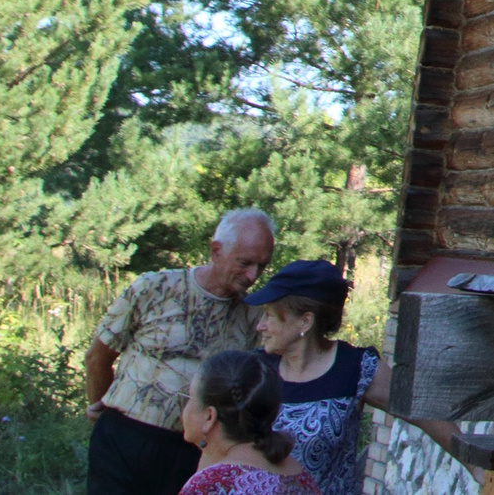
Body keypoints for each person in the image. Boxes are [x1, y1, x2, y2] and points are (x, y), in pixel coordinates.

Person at [86, 208, 277, 495]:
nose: (252, 275)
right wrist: (101, 407)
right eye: (245, 263)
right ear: (216, 251)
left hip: (194, 451)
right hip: (124, 437)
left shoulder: (254, 316)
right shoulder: (154, 288)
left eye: (261, 267)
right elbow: (98, 356)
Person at [250, 258, 443, 495]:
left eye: (269, 315)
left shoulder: (355, 369)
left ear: (305, 321)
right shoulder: (255, 371)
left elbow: (423, 411)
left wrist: (478, 467)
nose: (260, 326)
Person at [175, 349, 317, 495]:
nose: (185, 405)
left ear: (209, 417)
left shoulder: (210, 485)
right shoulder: (299, 475)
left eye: (189, 397)